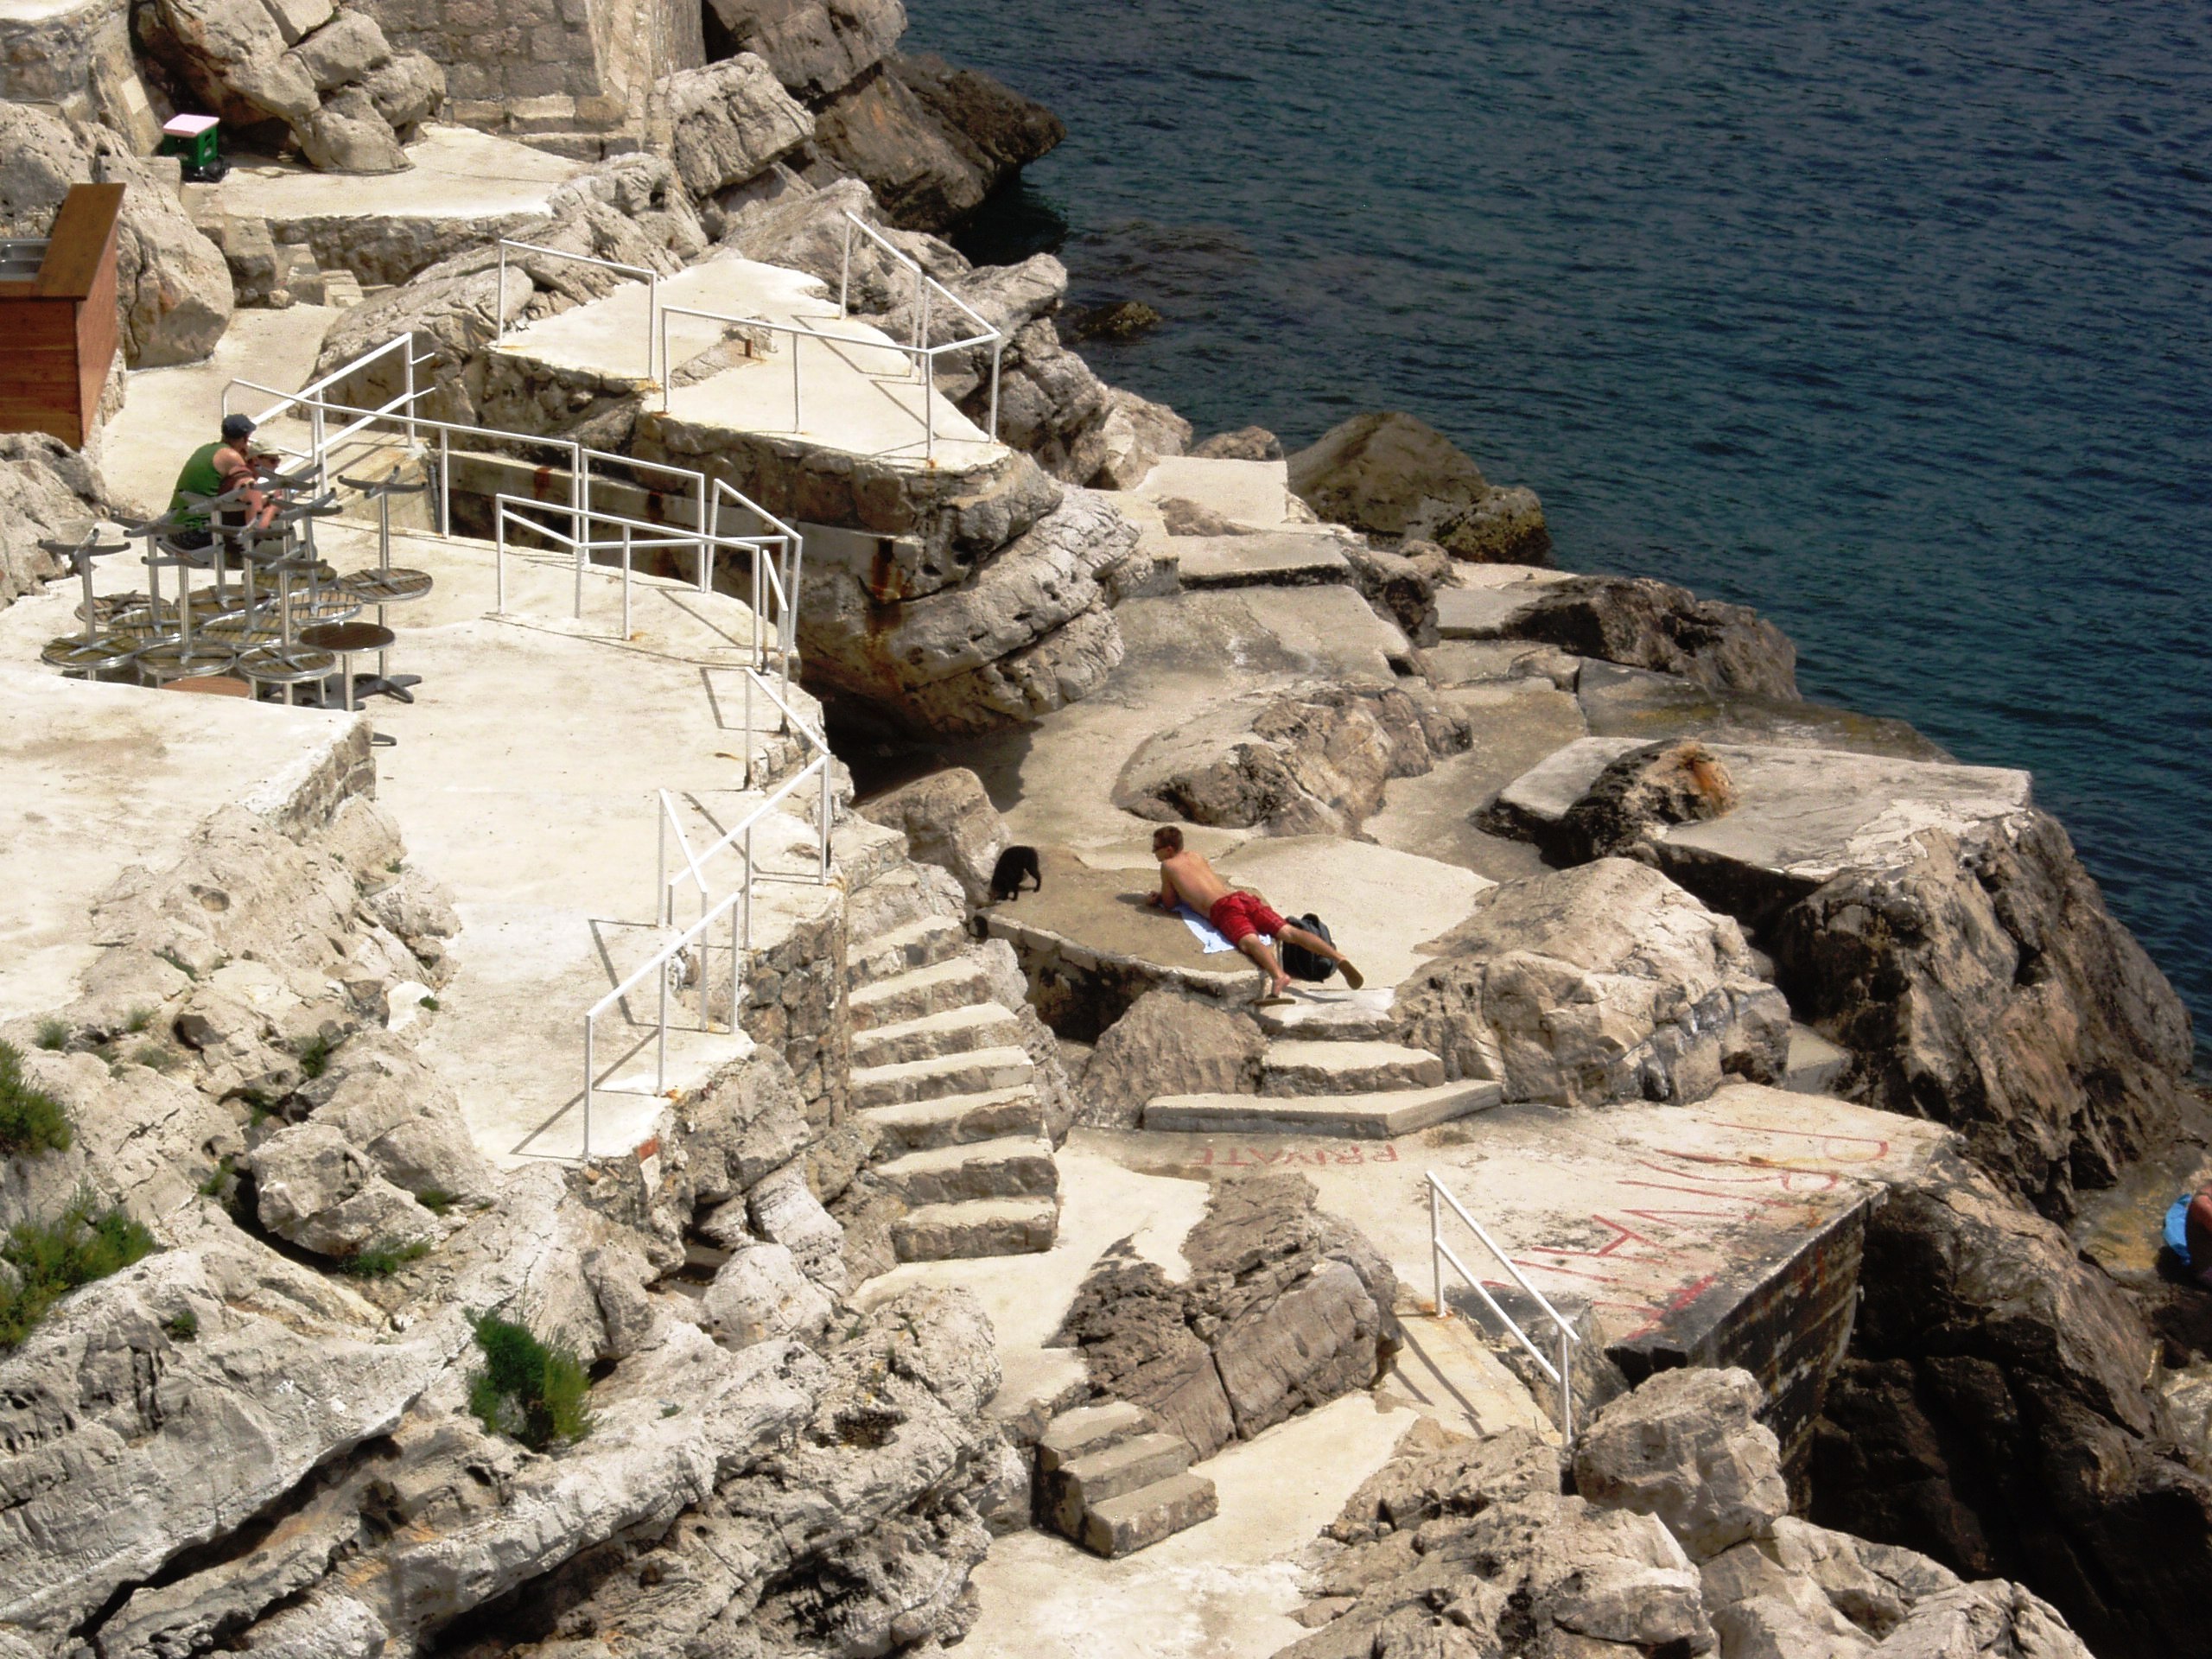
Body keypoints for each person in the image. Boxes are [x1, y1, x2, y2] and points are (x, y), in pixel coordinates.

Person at [1144, 823, 1363, 1001]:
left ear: (1169, 850)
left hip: (1223, 910)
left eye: (1156, 848)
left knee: (1249, 941)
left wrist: (1158, 898)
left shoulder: (1168, 866)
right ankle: (1338, 957)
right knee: (1289, 932)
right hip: (1241, 898)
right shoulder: (1196, 856)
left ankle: (1279, 976)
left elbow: (1170, 903)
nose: (1154, 852)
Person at [168, 413, 274, 550]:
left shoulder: (206, 449)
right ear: (245, 438)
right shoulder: (231, 456)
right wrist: (273, 505)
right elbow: (250, 486)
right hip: (193, 533)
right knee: (248, 534)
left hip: (172, 527)